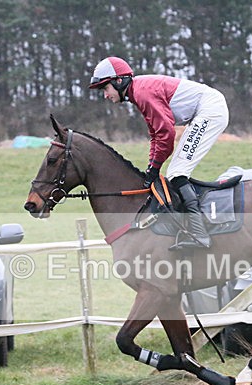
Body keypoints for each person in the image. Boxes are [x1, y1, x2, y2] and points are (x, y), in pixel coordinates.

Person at [89, 56, 229, 250]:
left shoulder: (142, 92)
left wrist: (154, 168)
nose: (105, 95)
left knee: (177, 173)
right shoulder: (138, 91)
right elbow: (155, 135)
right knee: (175, 172)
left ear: (118, 81)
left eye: (105, 89)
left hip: (210, 110)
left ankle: (200, 233)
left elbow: (166, 134)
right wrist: (151, 167)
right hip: (204, 110)